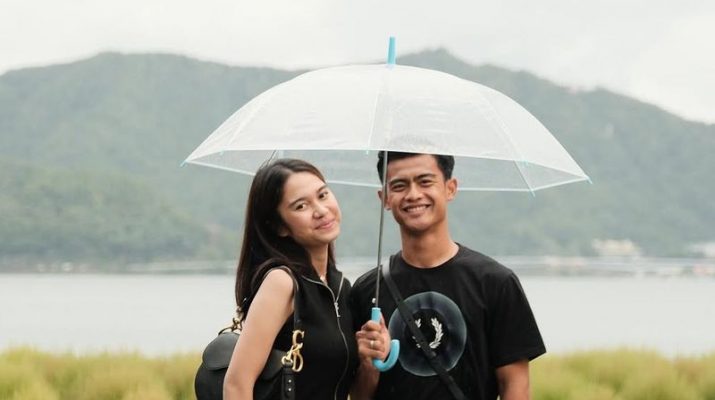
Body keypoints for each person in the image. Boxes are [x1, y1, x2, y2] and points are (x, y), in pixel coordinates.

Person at [350, 152, 546, 400]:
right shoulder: (368, 290)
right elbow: (359, 396)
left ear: (450, 188)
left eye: (425, 182)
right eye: (399, 186)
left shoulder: (495, 282)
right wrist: (369, 364)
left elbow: (515, 387)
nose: (413, 194)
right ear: (385, 199)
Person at [224, 158, 370, 400]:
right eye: (301, 206)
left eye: (323, 195)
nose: (320, 210)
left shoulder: (341, 287)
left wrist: (370, 361)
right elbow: (237, 385)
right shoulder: (283, 283)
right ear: (279, 226)